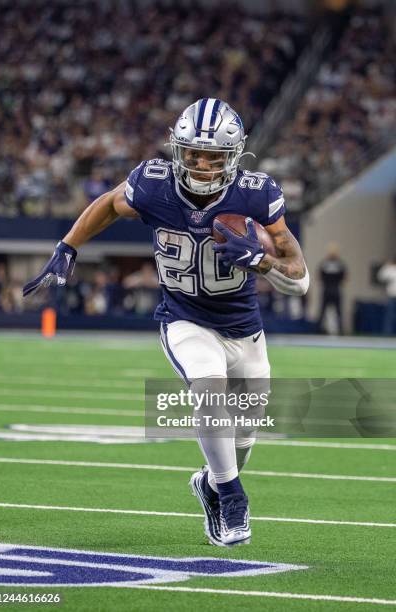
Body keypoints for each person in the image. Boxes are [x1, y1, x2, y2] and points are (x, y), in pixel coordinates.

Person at [23, 98, 309, 547]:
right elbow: (110, 203)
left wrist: (262, 261)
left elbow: (300, 278)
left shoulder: (255, 193)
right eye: (192, 151)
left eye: (211, 154)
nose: (199, 162)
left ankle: (211, 483)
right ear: (177, 147)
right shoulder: (154, 183)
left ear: (232, 157)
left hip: (244, 328)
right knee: (207, 387)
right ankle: (233, 497)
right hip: (184, 318)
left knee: (246, 433)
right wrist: (69, 244)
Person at [316, 243, 347, 335]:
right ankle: (318, 329)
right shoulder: (325, 263)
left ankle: (340, 330)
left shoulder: (340, 264)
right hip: (327, 289)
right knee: (322, 311)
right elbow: (319, 276)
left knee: (338, 311)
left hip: (335, 289)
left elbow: (345, 277)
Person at [378, 257, 396, 336]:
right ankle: (387, 334)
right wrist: (386, 265)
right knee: (390, 316)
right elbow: (380, 277)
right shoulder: (389, 269)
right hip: (392, 295)